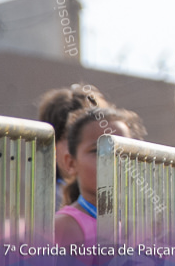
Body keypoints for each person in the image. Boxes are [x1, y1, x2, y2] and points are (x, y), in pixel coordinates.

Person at [54, 106, 147, 254]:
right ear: (71, 163)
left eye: (121, 152)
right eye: (97, 151)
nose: (111, 160)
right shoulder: (65, 227)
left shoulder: (133, 229)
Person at [36, 84, 111, 210]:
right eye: (70, 138)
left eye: (98, 144)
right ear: (50, 143)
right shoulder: (44, 201)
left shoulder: (115, 195)